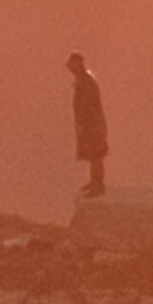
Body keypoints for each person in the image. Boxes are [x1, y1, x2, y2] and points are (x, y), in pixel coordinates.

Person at [65, 50, 108, 196]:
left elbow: (87, 105)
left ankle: (98, 185)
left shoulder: (86, 82)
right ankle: (94, 181)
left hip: (92, 125)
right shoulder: (82, 81)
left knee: (96, 154)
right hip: (89, 124)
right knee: (92, 155)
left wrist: (84, 123)